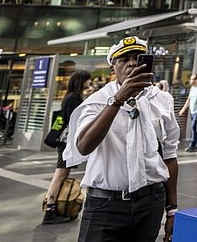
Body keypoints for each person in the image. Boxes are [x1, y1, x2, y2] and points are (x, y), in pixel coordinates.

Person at [61, 35, 179, 242]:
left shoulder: (162, 100)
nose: (132, 62)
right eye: (124, 59)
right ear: (112, 69)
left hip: (150, 202)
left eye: (138, 57)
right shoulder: (96, 102)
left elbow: (169, 155)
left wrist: (172, 210)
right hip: (105, 205)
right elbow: (83, 146)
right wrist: (118, 100)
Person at [42, 69, 91, 224]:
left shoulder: (71, 97)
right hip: (66, 142)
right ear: (80, 81)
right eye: (87, 80)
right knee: (60, 174)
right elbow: (75, 120)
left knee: (61, 174)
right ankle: (50, 209)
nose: (89, 82)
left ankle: (53, 207)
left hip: (65, 142)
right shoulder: (73, 98)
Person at [179, 74, 197, 151]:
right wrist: (183, 109)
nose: (190, 81)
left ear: (196, 80)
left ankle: (192, 144)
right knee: (196, 128)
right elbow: (189, 99)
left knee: (193, 127)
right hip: (192, 110)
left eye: (192, 79)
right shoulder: (193, 88)